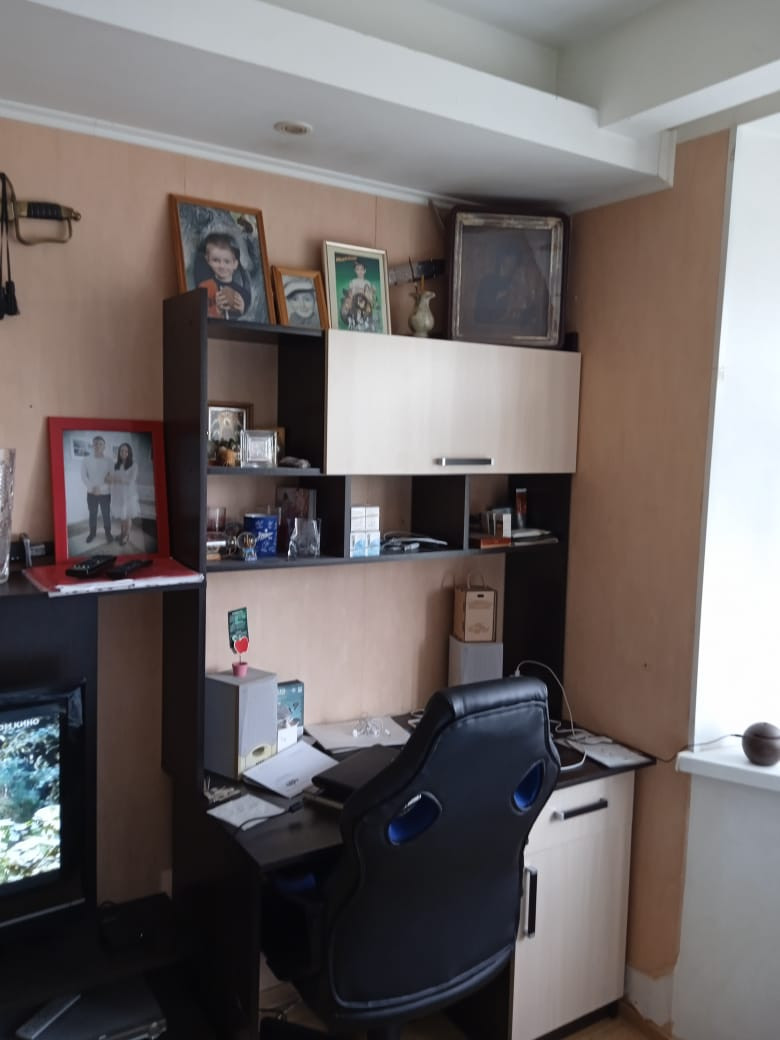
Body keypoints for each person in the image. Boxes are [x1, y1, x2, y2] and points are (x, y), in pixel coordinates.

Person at [197, 232, 252, 320]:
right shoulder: (204, 288)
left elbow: (249, 319)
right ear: (208, 260)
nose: (222, 266)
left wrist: (242, 310)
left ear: (235, 264)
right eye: (216, 260)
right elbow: (200, 317)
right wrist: (217, 310)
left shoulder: (243, 293)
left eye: (227, 261)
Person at [80, 435, 113, 544]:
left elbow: (111, 477)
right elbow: (84, 476)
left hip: (105, 493)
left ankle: (108, 533)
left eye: (100, 444)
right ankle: (92, 533)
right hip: (91, 493)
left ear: (104, 446)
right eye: (95, 444)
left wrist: (101, 488)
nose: (98, 446)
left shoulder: (109, 461)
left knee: (106, 514)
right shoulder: (86, 460)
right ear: (92, 446)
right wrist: (92, 488)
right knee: (92, 514)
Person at [110, 442, 139, 547]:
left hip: (129, 495)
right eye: (121, 450)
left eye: (126, 451)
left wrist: (117, 479)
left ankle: (127, 535)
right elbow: (111, 478)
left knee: (127, 517)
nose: (123, 452)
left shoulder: (133, 465)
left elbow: (131, 480)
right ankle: (122, 533)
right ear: (119, 452)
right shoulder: (116, 465)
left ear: (129, 452)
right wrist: (111, 479)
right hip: (118, 495)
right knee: (122, 517)